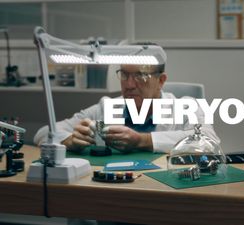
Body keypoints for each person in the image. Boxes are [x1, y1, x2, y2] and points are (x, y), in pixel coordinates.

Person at [33, 43, 220, 154]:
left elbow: (210, 142)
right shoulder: (106, 107)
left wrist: (142, 140)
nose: (129, 84)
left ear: (161, 81)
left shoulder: (186, 107)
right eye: (124, 75)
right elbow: (43, 132)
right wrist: (69, 140)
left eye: (140, 76)